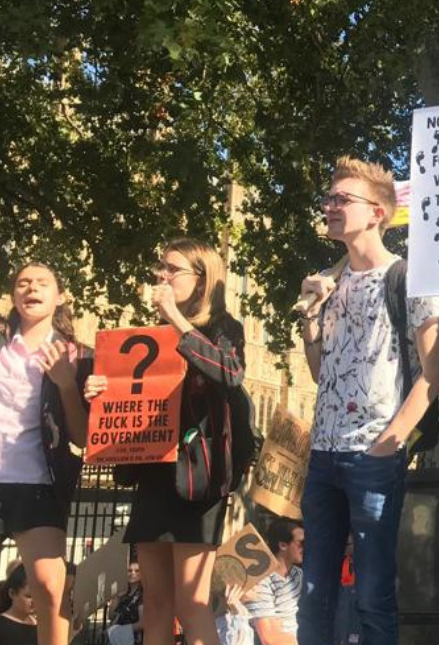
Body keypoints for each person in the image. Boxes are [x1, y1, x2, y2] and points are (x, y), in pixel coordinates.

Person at [295, 157, 439, 645]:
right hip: (324, 455)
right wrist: (310, 322)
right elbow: (324, 376)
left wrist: (390, 440)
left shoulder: (409, 277)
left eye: (343, 199)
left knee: (373, 594)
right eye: (329, 198)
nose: (330, 206)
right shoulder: (330, 282)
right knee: (314, 595)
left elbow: (434, 373)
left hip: (374, 455)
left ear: (378, 213)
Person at [87, 238, 246, 645]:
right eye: (160, 267)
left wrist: (176, 319)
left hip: (196, 478)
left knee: (191, 603)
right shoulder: (150, 333)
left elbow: (229, 372)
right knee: (155, 603)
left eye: (172, 269)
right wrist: (100, 389)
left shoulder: (224, 328)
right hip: (154, 473)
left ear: (202, 277)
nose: (162, 275)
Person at [0, 263, 92, 645]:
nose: (32, 288)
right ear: (13, 296)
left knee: (51, 588)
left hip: (38, 484)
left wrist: (66, 384)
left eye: (43, 282)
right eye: (23, 283)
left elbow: (82, 435)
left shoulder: (79, 355)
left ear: (60, 297)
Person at [245, 519, 303, 645]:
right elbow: (269, 637)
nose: (306, 547)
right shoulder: (261, 580)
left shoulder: (298, 575)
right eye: (301, 543)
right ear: (283, 545)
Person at [0, 565, 39, 645]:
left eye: (37, 596)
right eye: (29, 596)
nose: (34, 601)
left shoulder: (38, 623)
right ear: (12, 593)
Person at [106, 561, 143, 645]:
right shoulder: (124, 595)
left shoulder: (142, 595)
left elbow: (143, 623)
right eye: (129, 570)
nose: (132, 573)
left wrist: (121, 630)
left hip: (133, 639)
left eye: (137, 571)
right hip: (118, 639)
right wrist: (117, 596)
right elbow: (111, 615)